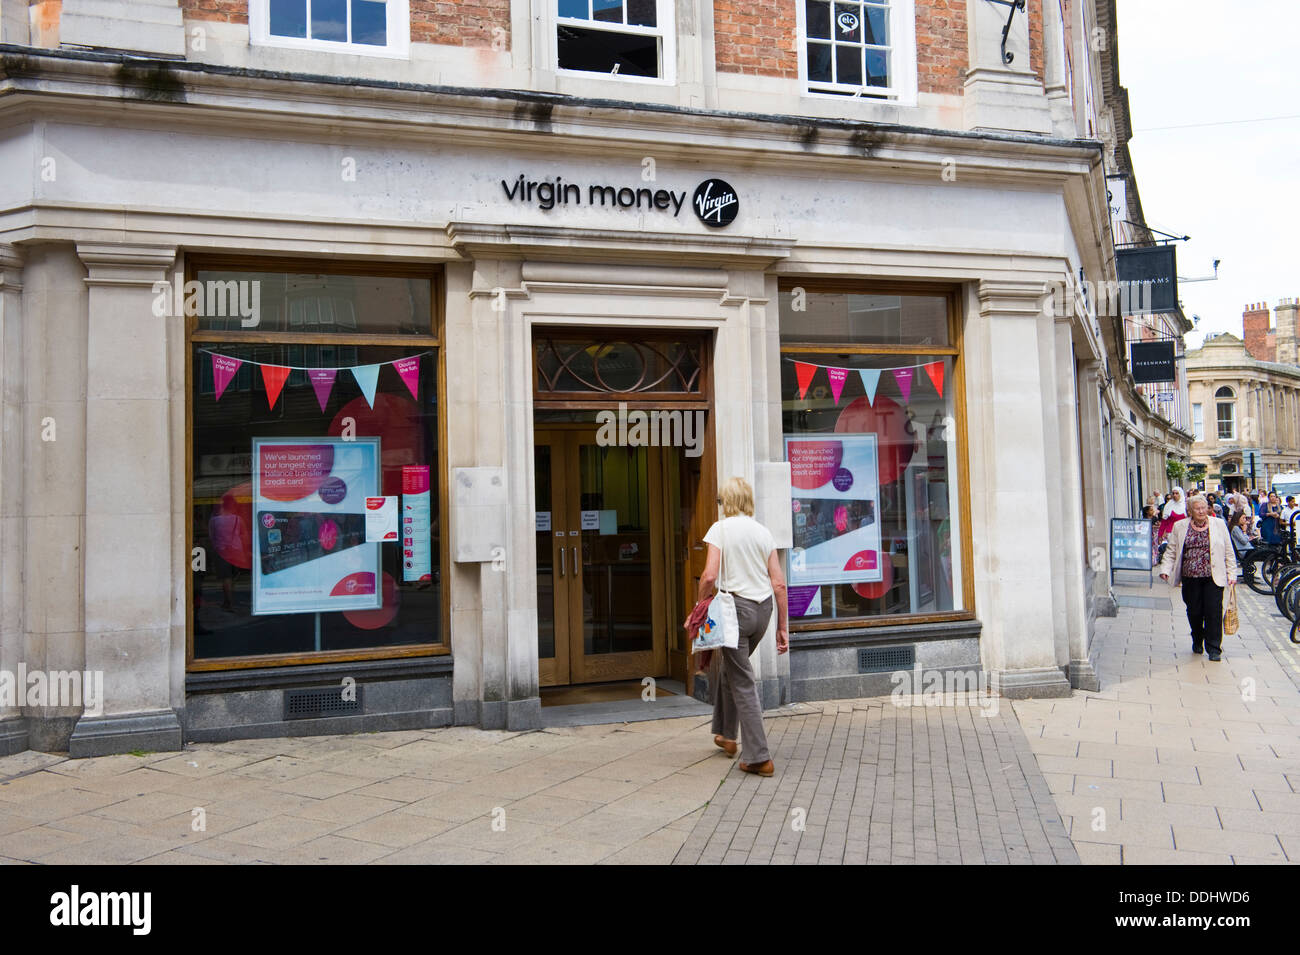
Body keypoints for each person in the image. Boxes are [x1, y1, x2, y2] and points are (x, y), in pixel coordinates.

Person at [686, 476, 789, 777]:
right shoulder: (762, 532)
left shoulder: (720, 529)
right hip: (763, 611)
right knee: (731, 668)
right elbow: (779, 584)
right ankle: (726, 735)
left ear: (725, 502)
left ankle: (759, 757)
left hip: (736, 612)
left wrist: (698, 608)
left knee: (742, 680)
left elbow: (708, 576)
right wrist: (782, 627)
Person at [1159, 495, 1238, 661]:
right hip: (1190, 577)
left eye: (1204, 508)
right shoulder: (1180, 526)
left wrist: (1232, 574)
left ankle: (1214, 648)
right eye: (1197, 508)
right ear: (1190, 511)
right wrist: (1165, 568)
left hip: (1213, 576)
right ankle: (1197, 637)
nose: (1201, 511)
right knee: (1194, 611)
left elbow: (1229, 551)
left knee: (1213, 611)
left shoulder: (1218, 524)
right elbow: (1172, 550)